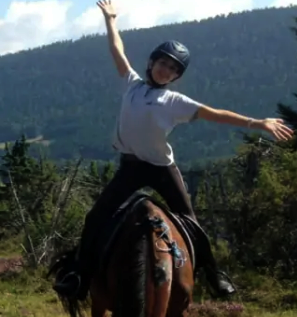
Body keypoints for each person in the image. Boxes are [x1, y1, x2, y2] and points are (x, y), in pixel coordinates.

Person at [53, 0, 294, 301]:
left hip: (161, 169)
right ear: (152, 62)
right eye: (163, 63)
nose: (166, 70)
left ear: (177, 77)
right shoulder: (131, 84)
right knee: (95, 217)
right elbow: (117, 50)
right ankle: (79, 275)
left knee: (191, 221)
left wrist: (258, 123)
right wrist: (111, 20)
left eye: (173, 69)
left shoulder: (175, 102)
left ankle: (213, 274)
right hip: (130, 168)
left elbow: (214, 113)